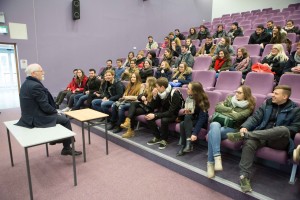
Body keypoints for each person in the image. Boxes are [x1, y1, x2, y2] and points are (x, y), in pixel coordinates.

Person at [227, 85, 300, 193]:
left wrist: (248, 133)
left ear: (285, 96)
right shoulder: (267, 103)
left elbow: (295, 128)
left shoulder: (295, 110)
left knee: (284, 130)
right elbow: (255, 118)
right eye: (273, 92)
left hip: (278, 140)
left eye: (276, 93)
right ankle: (244, 177)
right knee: (250, 142)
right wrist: (245, 127)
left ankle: (246, 135)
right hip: (260, 135)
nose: (272, 95)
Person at [16, 64, 82, 156]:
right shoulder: (35, 86)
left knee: (60, 117)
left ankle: (55, 139)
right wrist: (56, 111)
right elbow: (45, 106)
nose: (43, 72)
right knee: (65, 120)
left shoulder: (26, 83)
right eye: (41, 71)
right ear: (33, 73)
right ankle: (66, 148)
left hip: (28, 116)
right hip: (36, 118)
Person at [206, 86, 255, 179]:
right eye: (237, 91)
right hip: (220, 124)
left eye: (240, 93)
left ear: (246, 95)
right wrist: (230, 110)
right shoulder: (230, 98)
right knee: (215, 124)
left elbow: (237, 117)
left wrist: (224, 110)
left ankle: (211, 164)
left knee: (212, 132)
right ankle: (217, 157)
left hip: (233, 128)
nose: (236, 94)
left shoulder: (249, 106)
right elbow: (217, 107)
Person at [145, 77, 183, 149]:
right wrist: (155, 96)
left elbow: (171, 112)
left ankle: (164, 139)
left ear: (162, 87)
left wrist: (155, 115)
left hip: (174, 114)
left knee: (164, 120)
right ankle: (157, 137)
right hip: (164, 112)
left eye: (157, 87)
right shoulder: (160, 93)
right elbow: (154, 106)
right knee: (148, 116)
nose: (156, 88)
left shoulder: (174, 94)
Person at [177, 82, 210, 156]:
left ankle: (186, 145)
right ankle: (186, 145)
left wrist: (195, 133)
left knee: (184, 122)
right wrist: (186, 111)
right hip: (192, 119)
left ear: (194, 91)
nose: (186, 90)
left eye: (189, 88)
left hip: (202, 122)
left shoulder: (202, 101)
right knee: (185, 119)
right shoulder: (190, 98)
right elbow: (191, 113)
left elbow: (202, 118)